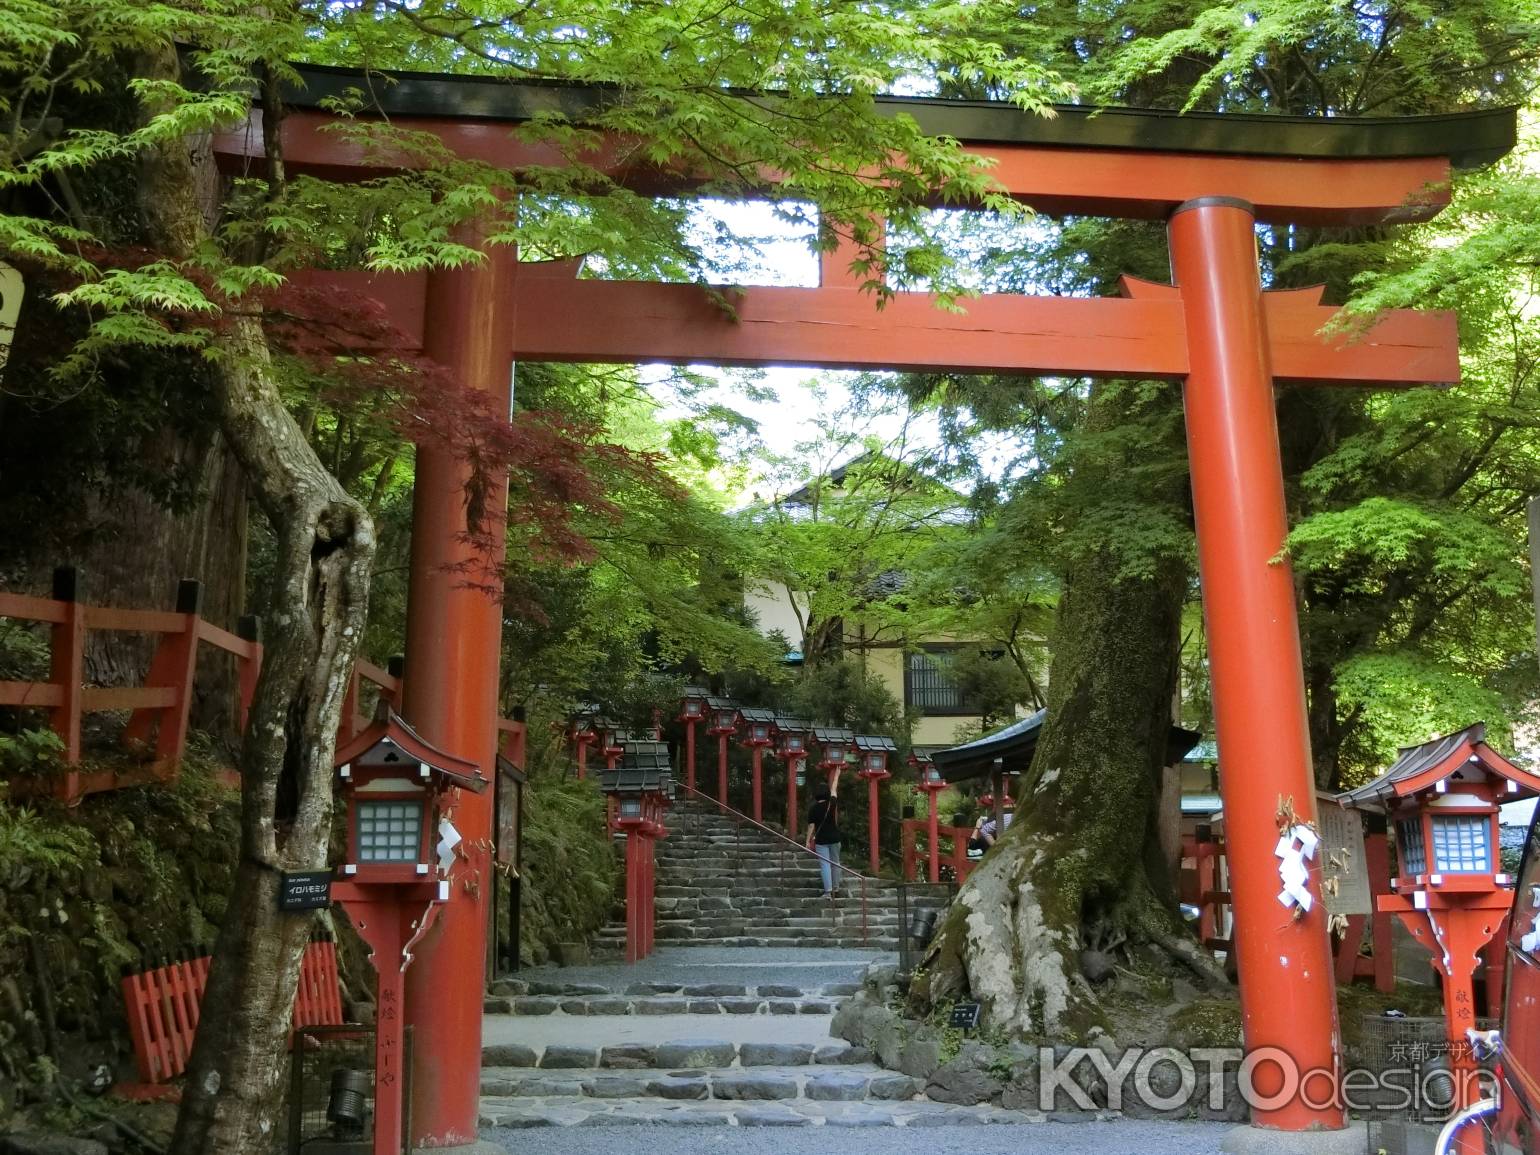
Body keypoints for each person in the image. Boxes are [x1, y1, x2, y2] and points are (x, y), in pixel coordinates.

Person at [804, 767, 843, 898]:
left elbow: (811, 826)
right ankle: (836, 888)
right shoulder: (831, 803)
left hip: (821, 840)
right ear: (826, 793)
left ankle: (828, 891)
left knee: (825, 864)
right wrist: (836, 776)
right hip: (835, 838)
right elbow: (834, 789)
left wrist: (807, 841)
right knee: (835, 863)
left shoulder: (813, 809)